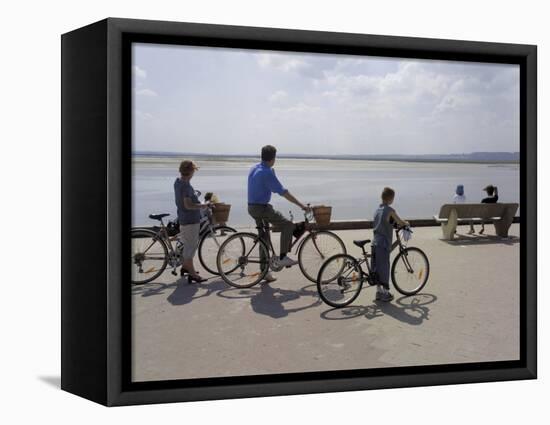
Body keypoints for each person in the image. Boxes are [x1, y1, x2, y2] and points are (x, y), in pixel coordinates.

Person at [248, 145, 310, 283]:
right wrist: (301, 205)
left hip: (252, 207)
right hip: (262, 208)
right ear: (273, 158)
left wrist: (272, 173)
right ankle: (282, 258)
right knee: (287, 225)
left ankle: (263, 273)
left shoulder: (255, 168)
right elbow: (283, 192)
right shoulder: (267, 172)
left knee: (264, 239)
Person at [174, 160, 210, 283]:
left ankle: (185, 267)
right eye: (193, 170)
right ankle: (193, 275)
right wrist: (202, 205)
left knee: (186, 244)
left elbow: (185, 200)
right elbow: (188, 205)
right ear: (190, 171)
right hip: (190, 220)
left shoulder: (178, 182)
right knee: (190, 247)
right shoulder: (186, 186)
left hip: (183, 218)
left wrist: (194, 196)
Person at [371, 187, 409, 302]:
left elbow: (388, 222)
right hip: (383, 244)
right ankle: (385, 293)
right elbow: (400, 222)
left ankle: (378, 292)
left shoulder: (378, 209)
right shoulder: (390, 211)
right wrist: (407, 223)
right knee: (384, 268)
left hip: (375, 242)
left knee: (376, 268)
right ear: (391, 198)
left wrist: (395, 225)